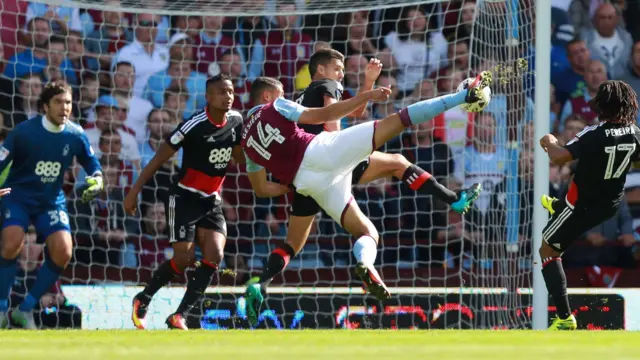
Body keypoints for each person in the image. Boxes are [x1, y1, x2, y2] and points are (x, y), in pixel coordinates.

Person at [241, 72, 491, 326]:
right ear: (267, 95)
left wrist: (290, 182)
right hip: (323, 152)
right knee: (398, 120)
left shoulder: (246, 144)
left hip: (307, 184)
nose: (284, 96)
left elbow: (261, 188)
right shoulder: (276, 105)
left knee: (308, 241)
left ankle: (261, 284)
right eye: (280, 92)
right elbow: (320, 116)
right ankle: (463, 96)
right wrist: (367, 95)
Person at [123, 74, 287, 330]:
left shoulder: (236, 121)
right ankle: (143, 298)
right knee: (184, 259)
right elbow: (157, 159)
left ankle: (179, 315)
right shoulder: (193, 125)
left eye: (231, 91)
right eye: (222, 92)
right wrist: (133, 192)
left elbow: (239, 157)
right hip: (184, 197)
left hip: (211, 201)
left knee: (215, 254)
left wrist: (264, 145)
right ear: (208, 97)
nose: (228, 96)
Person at [0, 80, 103, 329]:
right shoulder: (24, 131)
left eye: (68, 102)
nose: (64, 107)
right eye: (58, 102)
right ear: (45, 106)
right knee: (12, 242)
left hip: (51, 201)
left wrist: (97, 181)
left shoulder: (75, 134)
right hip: (19, 196)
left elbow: (92, 165)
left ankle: (24, 310)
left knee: (63, 251)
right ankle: (2, 308)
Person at [539, 80, 640, 330]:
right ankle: (558, 208)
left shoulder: (595, 133)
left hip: (581, 205)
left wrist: (548, 140)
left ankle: (564, 318)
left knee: (547, 250)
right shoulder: (636, 133)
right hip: (610, 205)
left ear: (602, 107)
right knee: (581, 172)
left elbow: (559, 156)